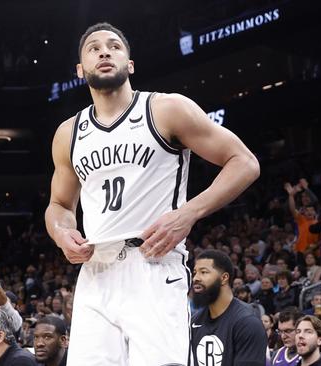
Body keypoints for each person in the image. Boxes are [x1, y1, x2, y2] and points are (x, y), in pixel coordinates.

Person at [44, 22, 260, 366]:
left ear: (130, 64)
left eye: (114, 46)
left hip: (153, 262)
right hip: (96, 270)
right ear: (80, 69)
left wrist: (189, 213)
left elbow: (244, 163)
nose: (104, 51)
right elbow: (59, 205)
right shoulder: (68, 133)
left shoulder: (165, 109)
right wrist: (61, 232)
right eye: (94, 48)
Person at [190, 250, 267, 365]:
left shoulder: (247, 323)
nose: (196, 278)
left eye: (204, 272)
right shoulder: (195, 321)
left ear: (224, 278)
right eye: (195, 272)